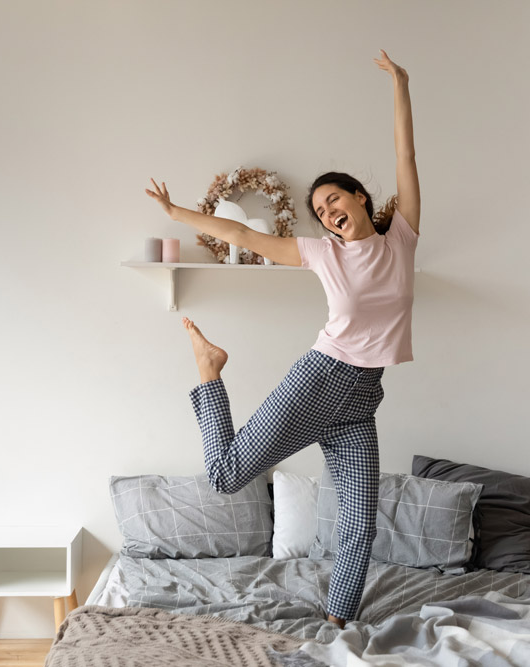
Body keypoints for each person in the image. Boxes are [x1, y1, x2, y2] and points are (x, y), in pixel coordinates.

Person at [144, 49, 419, 629]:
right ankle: (210, 371)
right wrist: (177, 212)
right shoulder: (323, 253)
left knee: (359, 524)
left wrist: (401, 85)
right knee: (226, 476)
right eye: (320, 210)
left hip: (362, 397)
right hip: (320, 379)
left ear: (360, 198)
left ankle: (337, 622)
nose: (328, 212)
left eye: (335, 200)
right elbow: (240, 230)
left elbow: (405, 155)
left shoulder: (402, 242)